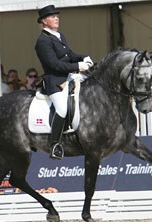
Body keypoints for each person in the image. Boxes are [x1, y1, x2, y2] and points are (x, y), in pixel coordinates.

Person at [35, 5, 93, 160]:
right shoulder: (43, 41)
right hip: (55, 81)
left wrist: (83, 57)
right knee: (62, 108)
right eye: (52, 16)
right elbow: (54, 65)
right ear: (44, 21)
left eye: (57, 15)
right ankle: (55, 145)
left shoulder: (59, 36)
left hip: (69, 78)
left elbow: (70, 54)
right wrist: (77, 66)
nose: (56, 18)